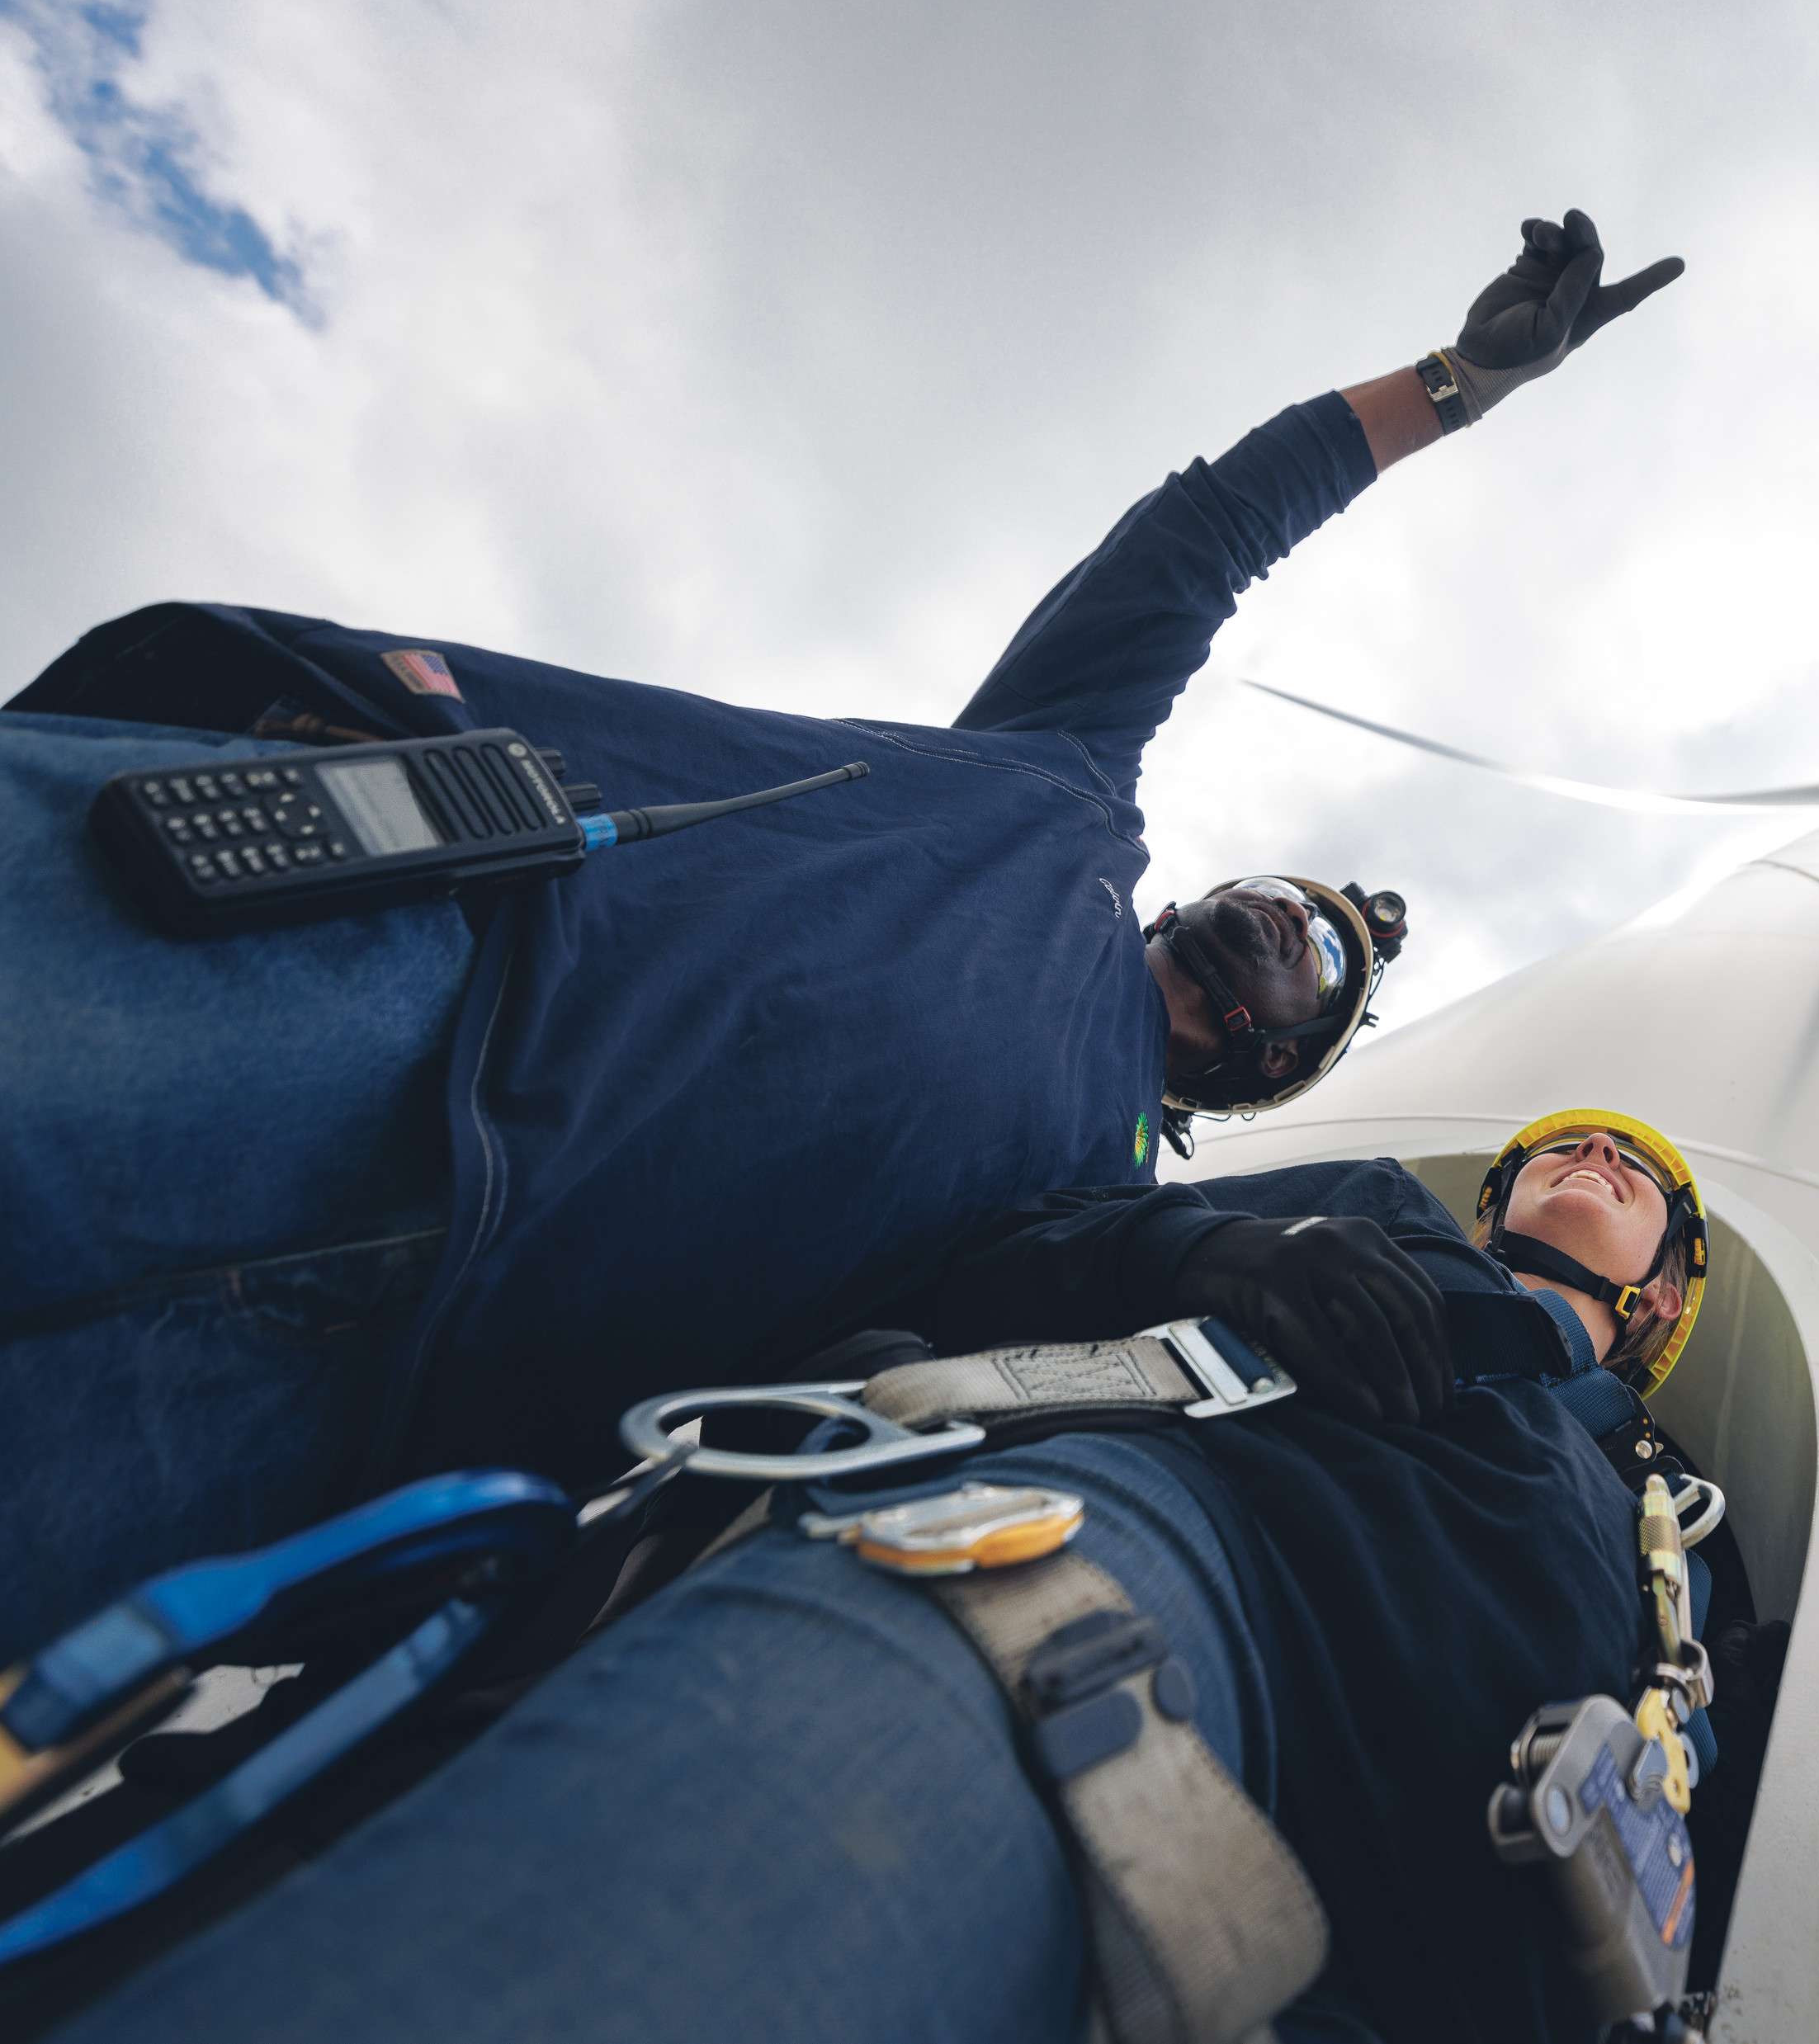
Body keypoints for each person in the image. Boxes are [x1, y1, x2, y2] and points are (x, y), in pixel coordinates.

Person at [0, 210, 1686, 1664]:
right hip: (366, 954)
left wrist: (1214, 1256)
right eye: (1293, 892)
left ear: (1268, 1059)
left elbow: (997, 1336)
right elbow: (1198, 540)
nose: (1289, 914)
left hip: (371, 1374)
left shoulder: (1096, 1196)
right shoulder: (1068, 781)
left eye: (1321, 960)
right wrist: (1456, 387)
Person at [26, 1116, 1727, 2044]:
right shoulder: (1365, 1216)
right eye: (1553, 1154)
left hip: (1428, 1949)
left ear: (1662, 1303)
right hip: (1132, 1591)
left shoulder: (1673, 1532)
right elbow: (985, 1247)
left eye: (1634, 1176)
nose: (1588, 1163)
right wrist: (1209, 1246)